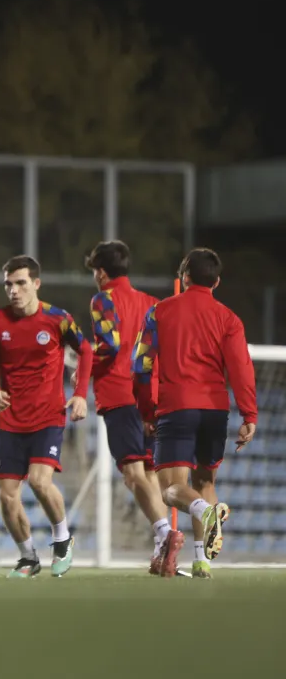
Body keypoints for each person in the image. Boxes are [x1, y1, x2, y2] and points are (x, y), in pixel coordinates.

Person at [132, 248, 257, 579]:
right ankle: (202, 560)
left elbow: (141, 365)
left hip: (177, 407)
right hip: (216, 409)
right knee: (204, 480)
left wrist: (147, 409)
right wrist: (250, 415)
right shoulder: (229, 318)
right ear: (216, 281)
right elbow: (241, 368)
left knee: (171, 489)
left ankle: (208, 512)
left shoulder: (159, 312)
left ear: (183, 277)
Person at [0, 256, 92, 578]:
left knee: (40, 482)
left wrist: (80, 393)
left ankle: (62, 539)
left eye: (21, 283)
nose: (13, 291)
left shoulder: (58, 319)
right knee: (7, 496)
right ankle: (28, 557)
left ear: (36, 284)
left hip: (48, 416)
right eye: (8, 285)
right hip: (11, 420)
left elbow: (86, 350)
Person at [83, 241, 181, 576]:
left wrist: (84, 364)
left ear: (100, 272)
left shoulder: (103, 299)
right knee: (148, 474)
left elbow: (107, 345)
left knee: (132, 473)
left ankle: (166, 533)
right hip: (151, 397)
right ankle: (163, 545)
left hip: (120, 394)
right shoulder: (154, 304)